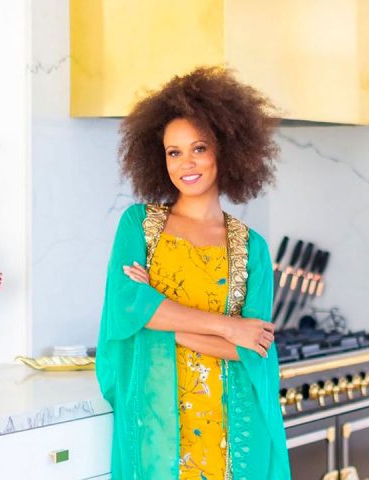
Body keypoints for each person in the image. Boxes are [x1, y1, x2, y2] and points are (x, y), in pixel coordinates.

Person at [96, 65, 291, 479]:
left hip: (232, 433)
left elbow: (252, 347)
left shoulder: (251, 248)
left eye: (199, 148)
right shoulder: (138, 226)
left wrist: (156, 318)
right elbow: (126, 309)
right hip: (156, 431)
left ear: (226, 150)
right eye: (174, 152)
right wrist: (227, 327)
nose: (186, 162)